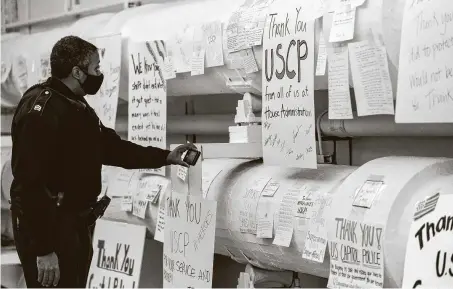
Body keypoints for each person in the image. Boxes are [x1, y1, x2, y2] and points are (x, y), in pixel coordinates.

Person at [9, 35, 196, 288]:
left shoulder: (75, 105)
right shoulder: (41, 112)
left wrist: (164, 156)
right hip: (50, 228)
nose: (100, 73)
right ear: (76, 72)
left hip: (74, 223)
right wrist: (44, 250)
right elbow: (29, 186)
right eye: (95, 68)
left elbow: (112, 148)